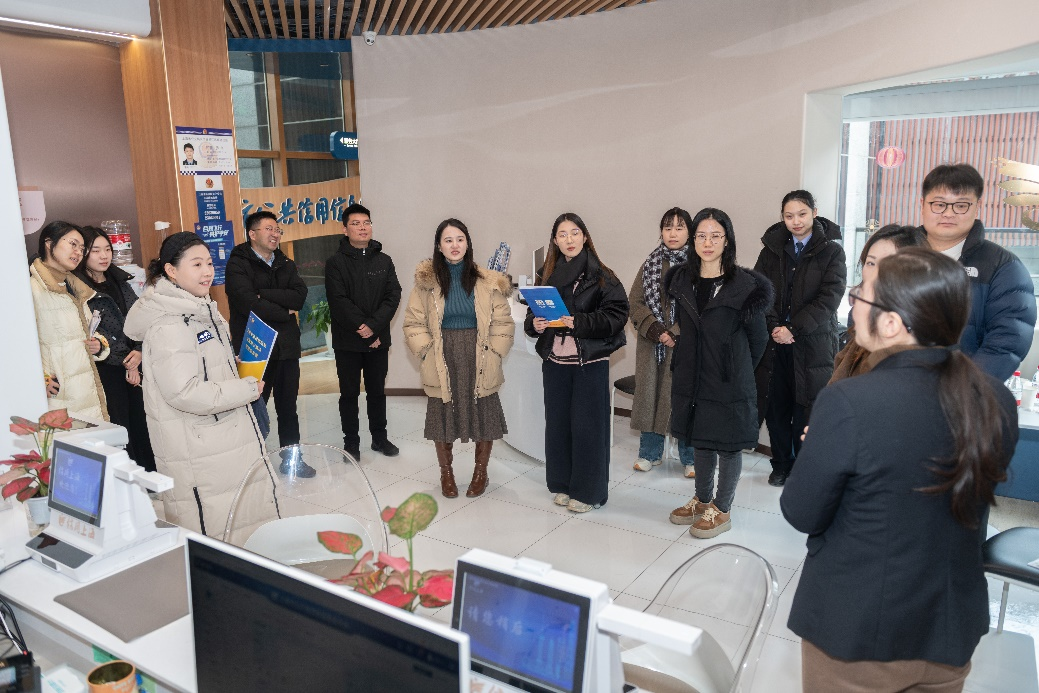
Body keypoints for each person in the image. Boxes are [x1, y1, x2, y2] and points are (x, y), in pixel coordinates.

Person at [781, 247, 1018, 692]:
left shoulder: (850, 402)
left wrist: (822, 453)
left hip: (861, 634)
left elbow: (802, 512)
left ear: (890, 323)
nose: (852, 306)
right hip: (950, 628)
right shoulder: (995, 399)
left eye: (860, 296)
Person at [124, 232, 267, 536]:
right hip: (199, 447)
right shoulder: (170, 323)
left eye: (210, 263)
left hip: (217, 439)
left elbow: (202, 366)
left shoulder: (200, 310)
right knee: (215, 530)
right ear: (171, 271)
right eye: (197, 264)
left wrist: (232, 365)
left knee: (237, 525)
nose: (207, 272)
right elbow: (184, 392)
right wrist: (245, 389)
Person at [666, 209, 771, 538]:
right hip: (693, 374)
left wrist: (734, 366)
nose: (707, 243)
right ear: (693, 240)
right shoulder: (682, 280)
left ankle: (722, 509)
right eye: (701, 235)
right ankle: (702, 500)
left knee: (727, 445)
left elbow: (759, 339)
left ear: (727, 241)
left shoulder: (745, 285)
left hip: (729, 378)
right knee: (700, 439)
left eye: (715, 236)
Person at [524, 213, 628, 513]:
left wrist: (579, 322)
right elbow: (532, 315)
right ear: (555, 241)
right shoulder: (547, 274)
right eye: (562, 234)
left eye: (574, 233)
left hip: (588, 363)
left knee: (587, 429)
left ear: (584, 236)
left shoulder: (602, 276)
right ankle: (563, 484)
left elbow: (617, 315)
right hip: (555, 361)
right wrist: (535, 324)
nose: (569, 239)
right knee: (558, 427)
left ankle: (588, 492)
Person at [403, 219, 514, 498]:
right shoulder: (426, 283)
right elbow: (413, 323)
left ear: (468, 243)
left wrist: (495, 352)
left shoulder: (488, 281)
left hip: (480, 353)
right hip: (442, 354)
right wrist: (427, 352)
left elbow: (503, 322)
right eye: (448, 240)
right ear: (439, 246)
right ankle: (446, 474)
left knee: (484, 414)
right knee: (442, 416)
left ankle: (481, 473)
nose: (455, 245)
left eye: (460, 239)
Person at [753, 190, 846, 487]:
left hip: (813, 343)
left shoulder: (832, 251)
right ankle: (781, 464)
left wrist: (793, 328)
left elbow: (829, 298)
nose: (796, 221)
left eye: (802, 214)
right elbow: (759, 291)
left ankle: (804, 467)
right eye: (789, 216)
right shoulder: (771, 250)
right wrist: (774, 327)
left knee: (806, 408)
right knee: (776, 406)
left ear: (814, 213)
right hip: (774, 342)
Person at [918, 163, 1036, 381]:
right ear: (922, 204)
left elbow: (1006, 342)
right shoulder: (897, 254)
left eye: (961, 205)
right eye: (939, 204)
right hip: (894, 386)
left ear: (977, 206)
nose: (948, 213)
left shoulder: (1002, 266)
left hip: (962, 390)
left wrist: (965, 388)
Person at [225, 210, 310, 475]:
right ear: (252, 234)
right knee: (252, 407)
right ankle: (251, 464)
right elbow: (248, 303)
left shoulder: (285, 262)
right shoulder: (238, 264)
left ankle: (292, 460)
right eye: (269, 229)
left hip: (286, 346)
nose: (275, 234)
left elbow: (299, 296)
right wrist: (284, 312)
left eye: (277, 230)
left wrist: (265, 294)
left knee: (288, 408)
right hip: (255, 348)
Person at [325, 203, 402, 460]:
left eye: (366, 222)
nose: (362, 227)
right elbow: (338, 300)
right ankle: (351, 443)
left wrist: (375, 328)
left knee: (377, 392)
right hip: (348, 341)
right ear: (345, 229)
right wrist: (364, 328)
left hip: (378, 340)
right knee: (349, 394)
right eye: (356, 223)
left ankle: (379, 439)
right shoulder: (335, 263)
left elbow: (393, 295)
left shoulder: (384, 260)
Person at [74, 226, 155, 471]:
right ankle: (127, 478)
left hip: (135, 363)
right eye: (95, 250)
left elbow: (140, 319)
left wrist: (139, 351)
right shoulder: (79, 288)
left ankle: (148, 476)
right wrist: (126, 360)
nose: (104, 255)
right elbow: (94, 331)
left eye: (107, 249)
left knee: (143, 424)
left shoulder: (120, 280)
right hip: (107, 368)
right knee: (120, 427)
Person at [628, 207, 696, 476]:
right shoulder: (651, 263)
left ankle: (690, 458)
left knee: (685, 399)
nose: (673, 233)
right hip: (652, 344)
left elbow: (700, 307)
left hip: (685, 345)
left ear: (690, 232)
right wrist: (657, 330)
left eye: (679, 228)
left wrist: (676, 332)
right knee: (650, 397)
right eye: (668, 228)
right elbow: (635, 302)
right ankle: (649, 454)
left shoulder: (698, 265)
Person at [29, 221, 108, 421]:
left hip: (86, 391)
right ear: (49, 243)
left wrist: (99, 344)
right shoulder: (31, 289)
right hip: (58, 397)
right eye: (73, 244)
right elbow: (15, 345)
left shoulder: (74, 286)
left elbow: (89, 330)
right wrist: (35, 380)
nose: (78, 252)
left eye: (82, 248)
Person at [829, 224, 925, 383]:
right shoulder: (860, 313)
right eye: (871, 263)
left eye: (889, 264)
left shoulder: (918, 325)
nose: (876, 273)